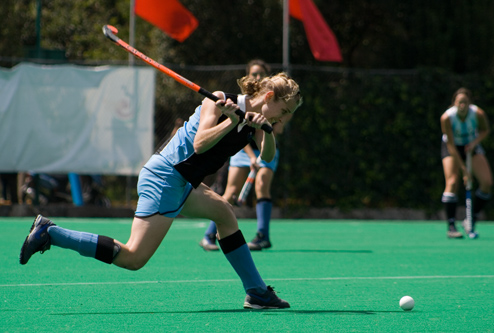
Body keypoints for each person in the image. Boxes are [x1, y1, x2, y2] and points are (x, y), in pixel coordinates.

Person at [19, 72, 303, 309]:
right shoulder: (219, 101)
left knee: (224, 214)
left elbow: (266, 158)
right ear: (268, 97)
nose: (284, 118)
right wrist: (231, 120)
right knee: (133, 258)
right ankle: (51, 233)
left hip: (182, 182)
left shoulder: (254, 123)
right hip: (165, 177)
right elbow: (200, 144)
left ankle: (256, 292)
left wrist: (265, 130)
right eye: (284, 111)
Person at [200, 60, 287, 251]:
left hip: (265, 147)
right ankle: (209, 235)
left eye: (261, 74)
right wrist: (250, 157)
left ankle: (262, 235)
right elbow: (239, 135)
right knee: (230, 192)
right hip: (243, 149)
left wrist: (260, 154)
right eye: (253, 74)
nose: (257, 77)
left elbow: (275, 128)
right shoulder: (241, 101)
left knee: (262, 187)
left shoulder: (277, 102)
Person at [440, 87, 493, 239]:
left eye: (465, 102)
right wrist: (465, 171)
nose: (462, 105)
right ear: (454, 103)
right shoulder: (447, 118)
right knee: (452, 181)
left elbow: (485, 130)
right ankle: (451, 226)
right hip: (452, 147)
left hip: (471, 146)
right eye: (459, 102)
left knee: (487, 182)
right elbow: (450, 145)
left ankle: (471, 219)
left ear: (470, 103)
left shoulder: (478, 114)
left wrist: (474, 143)